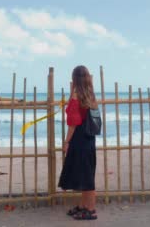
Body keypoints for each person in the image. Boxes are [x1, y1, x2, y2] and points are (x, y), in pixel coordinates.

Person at [58, 65, 98, 220]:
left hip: (80, 139)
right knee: (85, 173)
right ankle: (84, 205)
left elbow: (73, 122)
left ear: (74, 78)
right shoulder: (89, 93)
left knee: (86, 175)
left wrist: (66, 141)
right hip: (89, 138)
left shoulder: (76, 96)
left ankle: (91, 209)